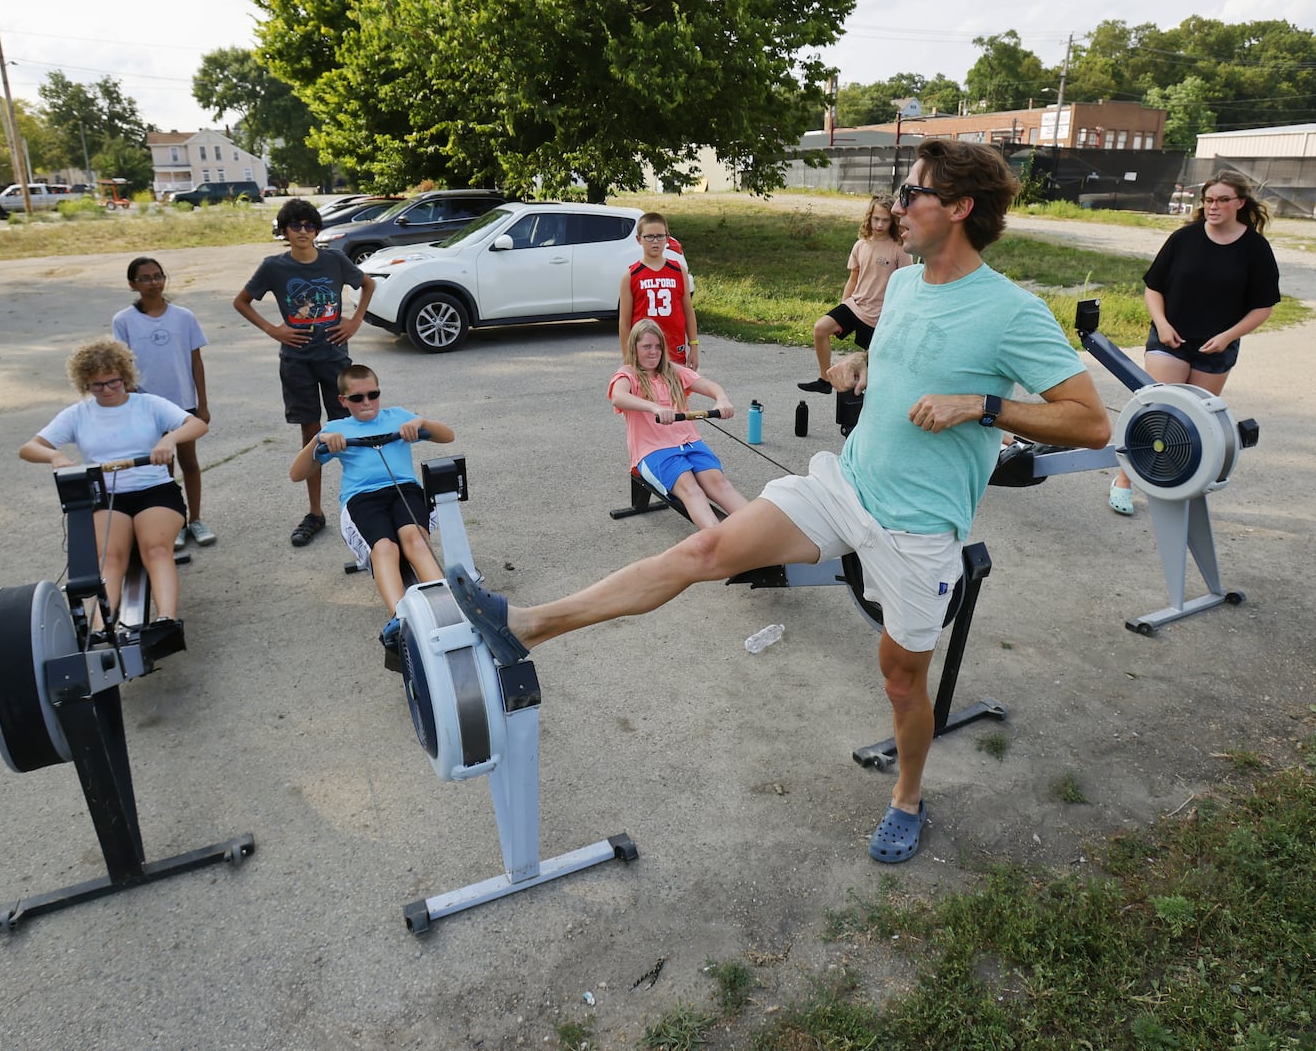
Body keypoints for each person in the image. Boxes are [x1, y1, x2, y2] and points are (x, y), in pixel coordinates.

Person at [444, 139, 1111, 864]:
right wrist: (862, 363)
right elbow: (900, 354)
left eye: (911, 193)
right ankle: (530, 623)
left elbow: (1088, 419)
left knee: (900, 680)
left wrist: (980, 404)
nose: (894, 206)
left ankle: (908, 795)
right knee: (704, 548)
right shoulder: (911, 283)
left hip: (917, 529)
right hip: (843, 485)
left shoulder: (1012, 312)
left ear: (958, 208)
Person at [1109, 169, 1279, 516]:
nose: (1213, 206)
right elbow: (1153, 287)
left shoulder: (1255, 248)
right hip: (1170, 338)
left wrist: (1229, 337)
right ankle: (1124, 481)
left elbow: (1263, 307)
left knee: (1194, 424)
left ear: (1239, 203)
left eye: (1222, 200)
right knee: (1160, 413)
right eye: (1208, 200)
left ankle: (1171, 484)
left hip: (1216, 346)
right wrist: (1162, 323)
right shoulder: (1183, 238)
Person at [18, 338, 209, 634]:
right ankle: (100, 631)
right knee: (109, 557)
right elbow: (29, 448)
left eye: (113, 382)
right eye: (97, 386)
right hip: (106, 494)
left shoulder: (148, 404)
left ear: (125, 377)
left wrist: (169, 438)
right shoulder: (78, 414)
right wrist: (55, 455)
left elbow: (197, 424)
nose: (107, 390)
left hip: (153, 489)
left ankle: (167, 621)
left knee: (156, 549)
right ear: (85, 384)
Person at [235, 197, 377, 547]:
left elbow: (368, 284)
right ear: (284, 231)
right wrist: (274, 330)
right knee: (313, 435)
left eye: (309, 225)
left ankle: (362, 506)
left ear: (317, 230)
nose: (302, 231)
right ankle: (316, 512)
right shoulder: (273, 266)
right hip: (296, 361)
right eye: (295, 226)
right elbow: (241, 301)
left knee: (350, 430)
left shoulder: (333, 259)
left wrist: (354, 321)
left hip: (334, 358)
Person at [288, 364, 455, 654]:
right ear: (343, 401)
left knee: (415, 540)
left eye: (373, 395)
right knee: (385, 549)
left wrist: (421, 423)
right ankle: (400, 620)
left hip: (403, 490)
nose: (366, 403)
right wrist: (318, 440)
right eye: (357, 398)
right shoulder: (337, 429)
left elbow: (447, 435)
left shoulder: (398, 416)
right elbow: (297, 473)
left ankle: (446, 611)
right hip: (362, 498)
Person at [111, 256, 214, 551]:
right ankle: (175, 522)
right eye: (145, 278)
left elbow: (196, 361)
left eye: (158, 276)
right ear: (133, 284)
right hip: (146, 407)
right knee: (162, 467)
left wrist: (202, 404)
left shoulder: (183, 316)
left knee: (190, 463)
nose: (154, 282)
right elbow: (123, 365)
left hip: (183, 405)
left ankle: (196, 519)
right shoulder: (123, 321)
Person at [612, 318, 746, 530]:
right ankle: (719, 541)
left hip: (690, 443)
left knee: (719, 484)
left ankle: (759, 530)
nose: (653, 352)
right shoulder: (628, 374)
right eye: (646, 346)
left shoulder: (672, 371)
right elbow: (618, 397)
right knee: (690, 488)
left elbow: (710, 386)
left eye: (658, 346)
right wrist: (654, 407)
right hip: (653, 450)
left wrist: (722, 399)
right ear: (634, 348)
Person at [799, 195, 911, 393]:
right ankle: (825, 380)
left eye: (885, 220)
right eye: (876, 219)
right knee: (820, 328)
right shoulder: (861, 244)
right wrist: (843, 306)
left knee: (875, 366)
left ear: (892, 221)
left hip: (880, 315)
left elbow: (907, 285)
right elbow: (853, 278)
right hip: (855, 305)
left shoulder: (900, 248)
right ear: (869, 218)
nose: (879, 224)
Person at [620, 212, 699, 369]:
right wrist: (627, 357)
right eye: (649, 237)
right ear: (639, 239)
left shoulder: (678, 270)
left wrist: (694, 346)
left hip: (674, 349)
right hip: (644, 352)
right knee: (646, 393)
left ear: (667, 238)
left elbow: (688, 311)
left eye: (660, 236)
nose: (655, 241)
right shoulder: (631, 275)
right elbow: (624, 322)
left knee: (675, 393)